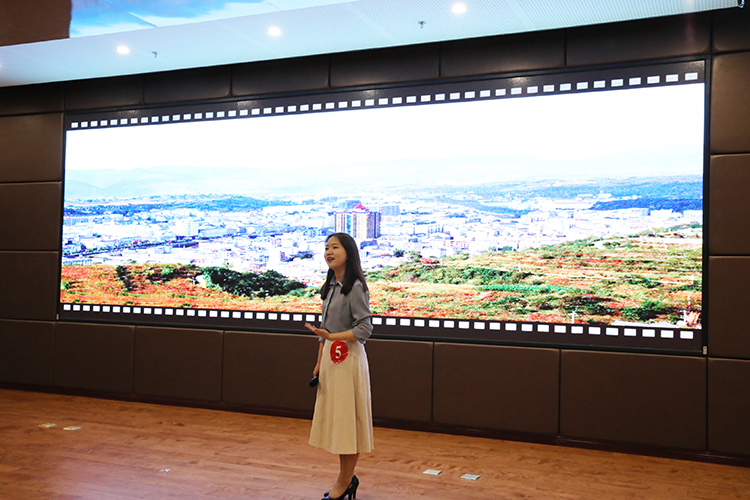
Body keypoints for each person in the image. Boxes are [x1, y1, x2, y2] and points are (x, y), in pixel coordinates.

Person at [305, 232, 373, 500]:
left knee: (348, 425)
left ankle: (344, 482)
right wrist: (319, 359)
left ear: (349, 252)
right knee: (338, 422)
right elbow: (326, 329)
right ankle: (347, 479)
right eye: (326, 248)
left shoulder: (355, 286)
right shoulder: (331, 286)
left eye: (335, 247)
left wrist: (332, 338)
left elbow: (364, 328)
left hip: (348, 359)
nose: (328, 252)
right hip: (331, 360)